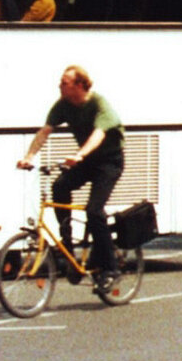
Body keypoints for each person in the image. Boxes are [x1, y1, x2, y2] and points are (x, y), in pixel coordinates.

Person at [16, 66, 124, 288]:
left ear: (80, 85)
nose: (59, 85)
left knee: (94, 210)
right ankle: (67, 246)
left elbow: (98, 134)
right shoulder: (63, 105)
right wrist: (29, 157)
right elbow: (45, 131)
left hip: (109, 162)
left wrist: (79, 154)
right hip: (87, 161)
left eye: (64, 82)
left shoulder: (99, 105)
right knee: (59, 187)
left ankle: (112, 268)